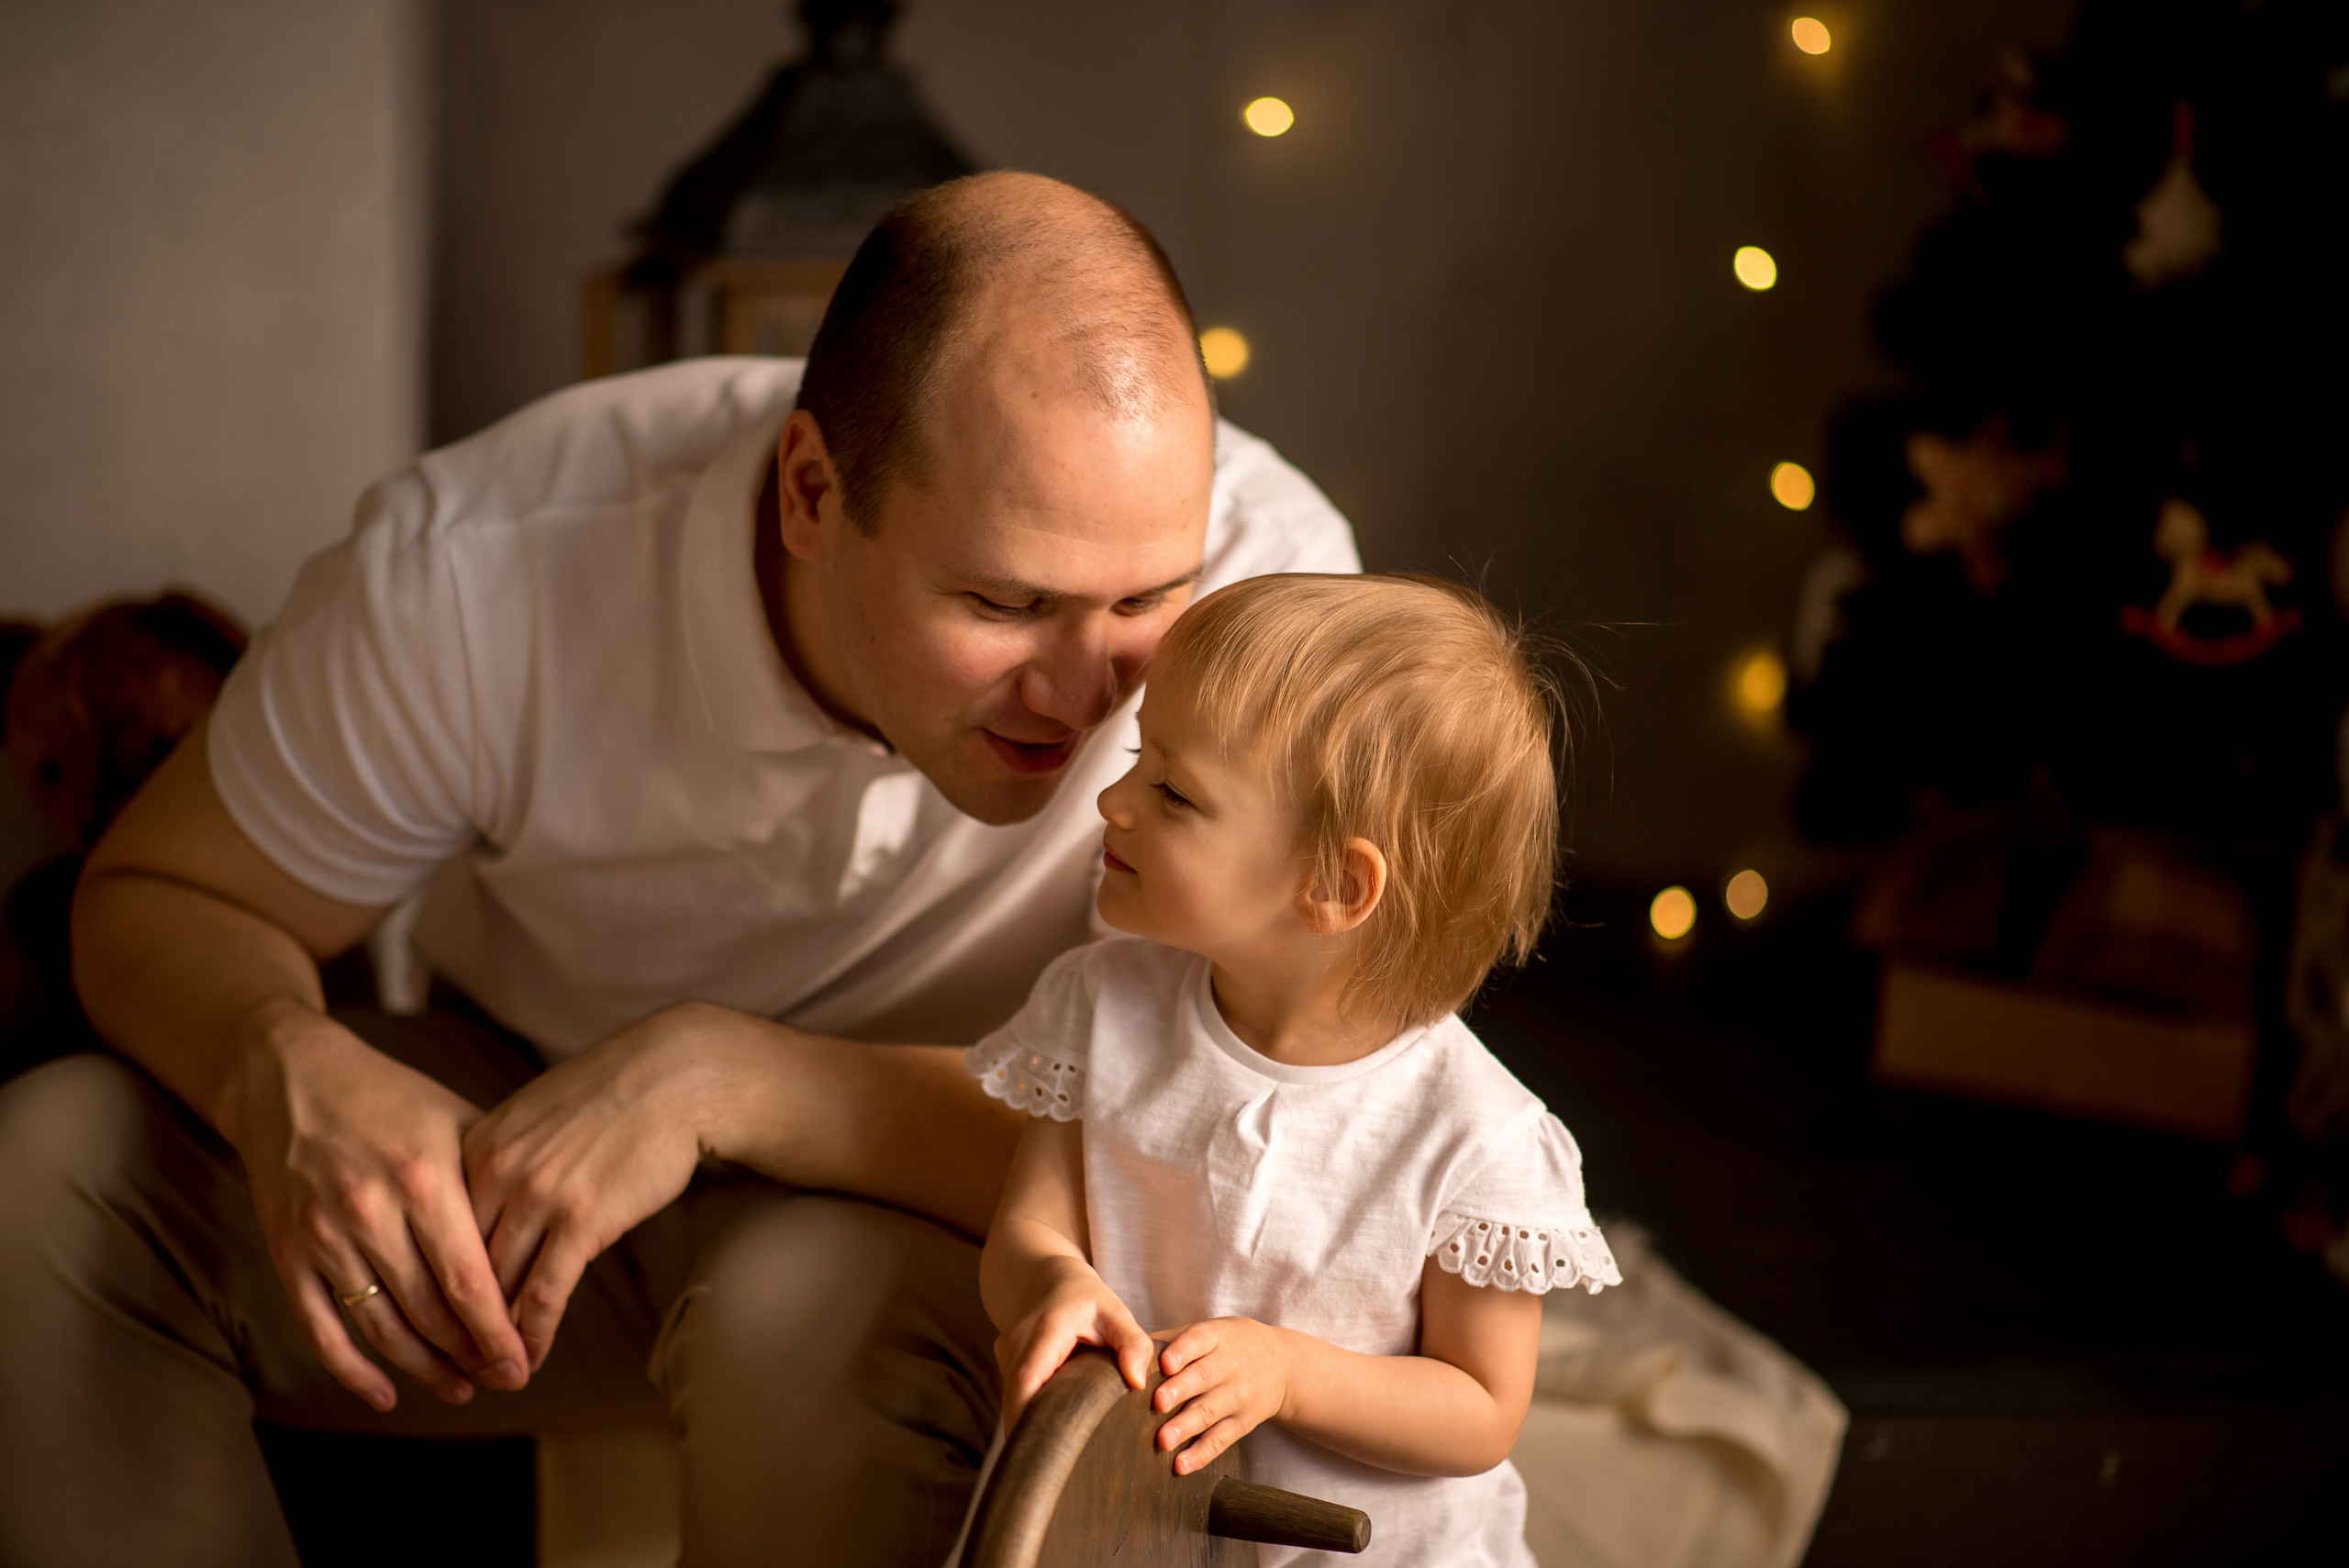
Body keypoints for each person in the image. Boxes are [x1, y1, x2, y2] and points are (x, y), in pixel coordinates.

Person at [0, 172, 1357, 1567]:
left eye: (1146, 601)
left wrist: (733, 1078)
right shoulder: (480, 576)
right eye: (1004, 603)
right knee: (55, 1165)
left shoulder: (1281, 591)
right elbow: (161, 897)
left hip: (966, 1208)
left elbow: (1264, 1151)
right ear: (814, 492)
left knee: (804, 1301)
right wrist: (276, 1058)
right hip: (531, 1160)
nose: (1090, 693)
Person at [970, 573, 1620, 1567]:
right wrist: (1049, 1282)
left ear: (1332, 884)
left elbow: (1481, 1406)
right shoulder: (1101, 1005)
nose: (1110, 798)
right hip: (1130, 1526)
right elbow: (1031, 1222)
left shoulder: (1474, 1133)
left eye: (1173, 791)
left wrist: (1289, 1372)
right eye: (1143, 757)